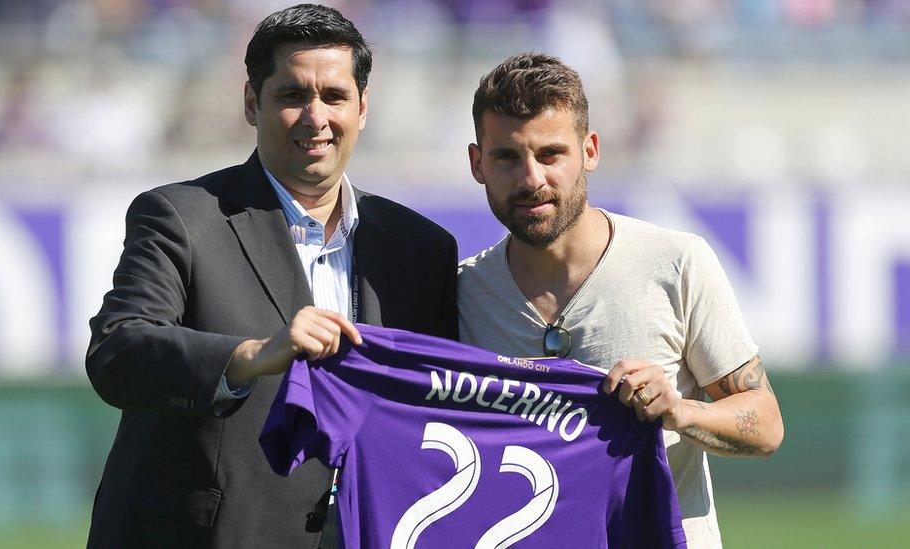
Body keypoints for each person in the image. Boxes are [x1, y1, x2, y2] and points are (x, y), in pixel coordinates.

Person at [84, 5, 458, 548]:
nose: (315, 117)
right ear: (251, 103)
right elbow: (119, 352)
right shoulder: (181, 216)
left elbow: (448, 398)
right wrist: (248, 357)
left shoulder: (422, 249)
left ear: (363, 107)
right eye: (291, 96)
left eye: (334, 96)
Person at [457, 52, 783, 548]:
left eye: (551, 154)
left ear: (589, 150)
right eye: (507, 157)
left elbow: (765, 424)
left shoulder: (676, 262)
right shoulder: (463, 292)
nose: (531, 179)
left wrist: (679, 412)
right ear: (478, 164)